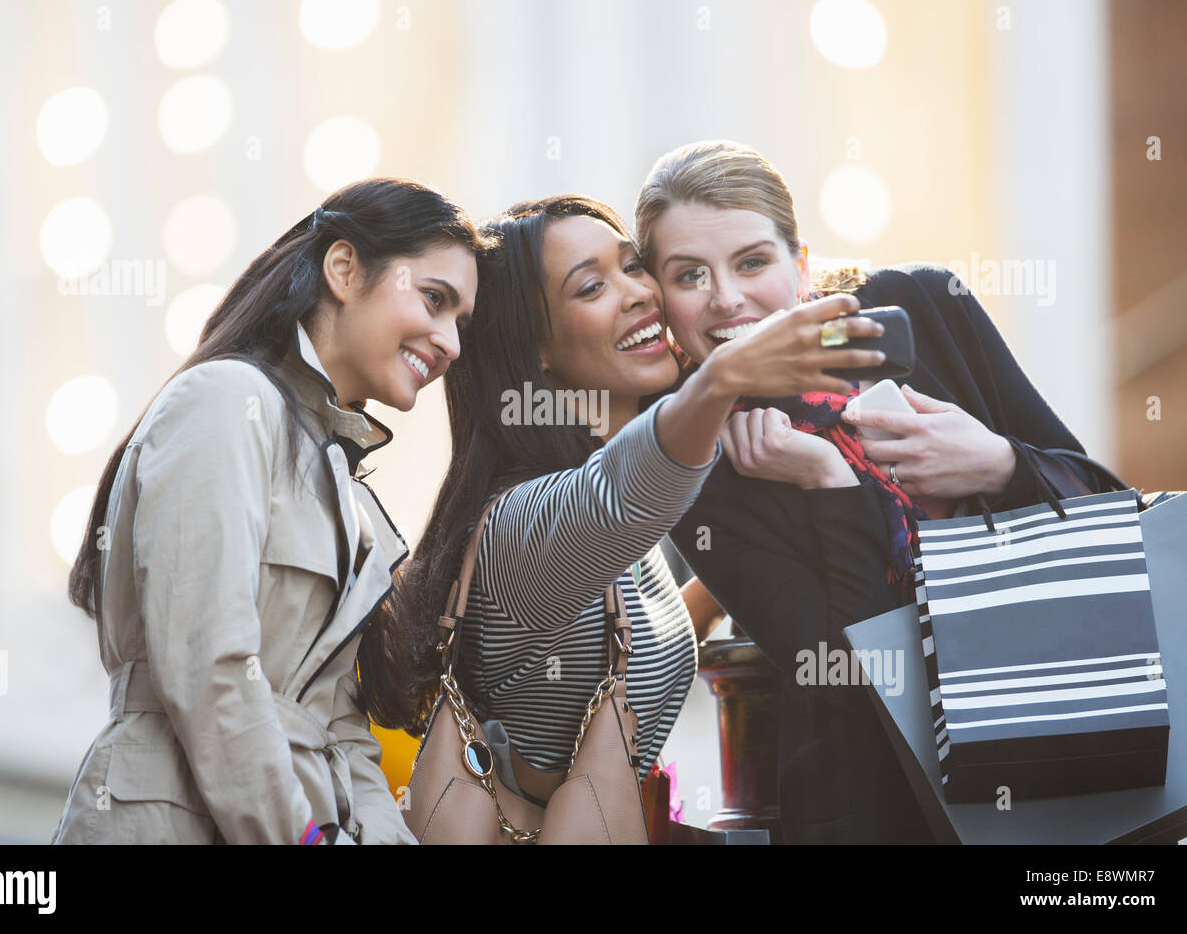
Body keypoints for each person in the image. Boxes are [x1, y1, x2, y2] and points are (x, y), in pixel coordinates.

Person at [634, 138, 1108, 842]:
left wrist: (1001, 465)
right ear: (662, 299)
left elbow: (1107, 506)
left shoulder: (919, 302)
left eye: (752, 262)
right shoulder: (692, 456)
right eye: (690, 275)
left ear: (799, 263)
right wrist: (826, 481)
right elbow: (843, 680)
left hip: (1065, 745)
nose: (727, 298)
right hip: (885, 811)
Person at [374, 195, 884, 815]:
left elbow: (632, 620)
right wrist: (722, 380)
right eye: (591, 288)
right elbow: (621, 496)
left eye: (633, 266)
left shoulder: (613, 533)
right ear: (537, 348)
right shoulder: (524, 526)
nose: (639, 293)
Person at [51, 177, 487, 844]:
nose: (450, 342)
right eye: (434, 300)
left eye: (460, 321)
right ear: (343, 269)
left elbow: (343, 725)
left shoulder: (344, 482)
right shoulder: (226, 401)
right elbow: (210, 668)